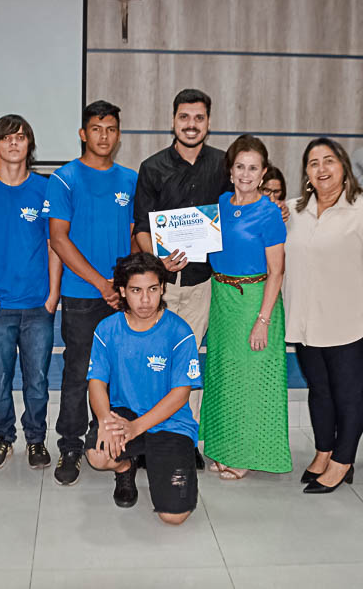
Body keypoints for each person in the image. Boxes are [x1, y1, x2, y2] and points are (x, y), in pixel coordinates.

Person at [284, 138, 363, 494]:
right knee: (319, 392)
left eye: (329, 161)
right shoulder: (293, 212)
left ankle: (342, 462)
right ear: (305, 173)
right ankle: (324, 452)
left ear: (344, 166)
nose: (321, 169)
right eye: (313, 163)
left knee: (349, 395)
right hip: (307, 324)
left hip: (351, 325)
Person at [132, 88, 229, 468]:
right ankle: (145, 436)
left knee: (187, 366)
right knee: (152, 361)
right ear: (173, 120)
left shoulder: (224, 165)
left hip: (204, 284)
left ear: (208, 122)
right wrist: (158, 259)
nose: (191, 125)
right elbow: (141, 226)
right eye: (184, 117)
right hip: (160, 287)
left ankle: (184, 439)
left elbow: (240, 209)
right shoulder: (152, 167)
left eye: (199, 118)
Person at [46, 100, 138, 486]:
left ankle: (112, 443)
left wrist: (128, 284)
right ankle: (69, 446)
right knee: (79, 371)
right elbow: (59, 239)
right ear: (83, 134)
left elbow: (137, 237)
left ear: (119, 135)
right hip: (83, 295)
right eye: (97, 128)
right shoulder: (65, 179)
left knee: (120, 373)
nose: (104, 136)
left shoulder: (130, 179)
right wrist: (103, 283)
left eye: (111, 129)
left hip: (122, 297)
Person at [0, 114, 62, 471]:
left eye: (21, 137)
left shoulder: (46, 188)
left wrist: (52, 295)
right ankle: (2, 438)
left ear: (29, 145)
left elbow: (55, 245)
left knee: (37, 381)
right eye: (7, 138)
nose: (15, 143)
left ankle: (36, 440)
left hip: (39, 305)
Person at [85, 252, 201, 525]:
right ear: (123, 291)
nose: (146, 300)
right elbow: (96, 383)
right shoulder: (107, 329)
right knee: (98, 455)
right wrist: (104, 420)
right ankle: (126, 467)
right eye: (136, 290)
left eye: (152, 290)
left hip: (169, 423)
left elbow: (180, 394)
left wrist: (137, 428)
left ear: (163, 288)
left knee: (174, 516)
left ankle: (161, 461)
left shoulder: (179, 331)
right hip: (124, 414)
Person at [199, 135, 290, 480]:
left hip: (255, 301)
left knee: (252, 379)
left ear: (264, 173)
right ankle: (224, 447)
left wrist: (263, 320)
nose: (246, 174)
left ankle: (246, 454)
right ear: (231, 170)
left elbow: (277, 270)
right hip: (222, 299)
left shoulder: (269, 213)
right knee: (224, 375)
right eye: (240, 166)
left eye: (253, 168)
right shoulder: (220, 203)